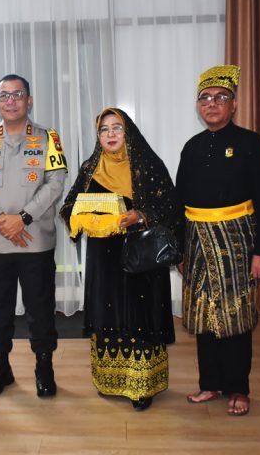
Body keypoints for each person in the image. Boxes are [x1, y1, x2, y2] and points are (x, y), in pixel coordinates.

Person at [60, 107, 183, 411]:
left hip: (141, 255)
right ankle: (109, 380)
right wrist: (82, 218)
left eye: (117, 128)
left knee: (140, 313)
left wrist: (140, 215)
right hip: (103, 256)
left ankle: (142, 385)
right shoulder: (91, 167)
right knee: (109, 312)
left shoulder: (147, 164)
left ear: (128, 132)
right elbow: (68, 205)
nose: (110, 134)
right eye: (104, 129)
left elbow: (170, 206)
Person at [176, 65, 260, 416]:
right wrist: (180, 249)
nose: (212, 103)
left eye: (220, 97)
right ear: (198, 105)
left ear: (234, 105)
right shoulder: (192, 147)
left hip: (237, 242)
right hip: (196, 242)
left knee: (235, 316)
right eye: (205, 98)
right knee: (204, 314)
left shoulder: (251, 144)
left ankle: (238, 388)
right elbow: (179, 202)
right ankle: (210, 383)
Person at [0, 74, 67, 397]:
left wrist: (22, 219)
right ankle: (1, 369)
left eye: (17, 94)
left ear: (29, 100)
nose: (10, 101)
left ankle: (44, 369)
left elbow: (56, 182)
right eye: (4, 95)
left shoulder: (49, 138)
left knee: (41, 310)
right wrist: (1, 220)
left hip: (36, 241)